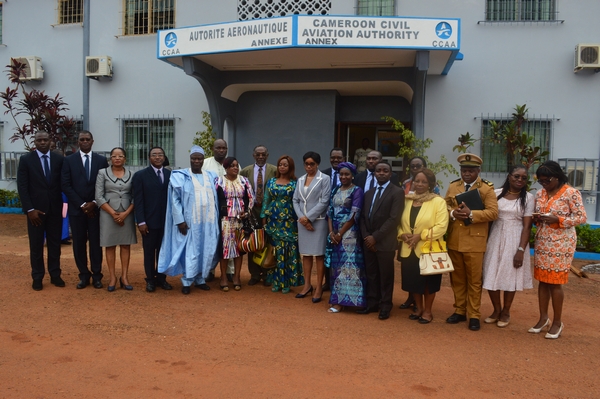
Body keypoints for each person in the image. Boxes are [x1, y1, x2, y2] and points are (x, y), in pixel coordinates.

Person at [529, 161, 586, 339]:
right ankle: (543, 318)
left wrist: (558, 219)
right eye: (541, 181)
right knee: (543, 281)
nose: (544, 184)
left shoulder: (571, 193)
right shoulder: (540, 194)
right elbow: (539, 215)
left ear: (557, 176)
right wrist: (537, 218)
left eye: (547, 180)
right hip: (543, 241)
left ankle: (557, 322)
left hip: (562, 243)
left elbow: (581, 217)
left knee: (555, 281)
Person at [444, 153, 498, 331]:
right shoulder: (453, 186)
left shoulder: (487, 189)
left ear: (478, 170)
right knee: (457, 278)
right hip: (455, 239)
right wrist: (453, 213)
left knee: (474, 280)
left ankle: (474, 314)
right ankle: (459, 310)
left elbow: (493, 213)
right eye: (463, 170)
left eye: (470, 170)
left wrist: (471, 214)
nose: (466, 173)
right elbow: (444, 206)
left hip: (475, 241)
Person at [157, 146, 220, 295]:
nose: (196, 161)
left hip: (209, 222)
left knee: (206, 249)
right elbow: (175, 200)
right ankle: (187, 280)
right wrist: (180, 221)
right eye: (194, 158)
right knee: (191, 251)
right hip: (191, 222)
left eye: (199, 158)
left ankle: (200, 279)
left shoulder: (211, 176)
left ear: (203, 160)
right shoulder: (180, 176)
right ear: (190, 159)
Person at [482, 165, 534, 328]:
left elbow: (527, 227)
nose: (520, 180)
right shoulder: (496, 194)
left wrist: (521, 250)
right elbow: (489, 219)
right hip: (496, 236)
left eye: (524, 178)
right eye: (516, 176)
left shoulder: (529, 198)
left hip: (515, 238)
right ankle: (496, 310)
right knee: (491, 272)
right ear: (509, 176)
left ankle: (506, 311)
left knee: (510, 275)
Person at [397, 168, 448, 324]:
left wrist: (421, 236)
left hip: (429, 248)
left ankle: (428, 311)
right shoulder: (407, 200)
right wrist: (401, 234)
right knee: (413, 281)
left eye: (424, 182)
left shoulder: (438, 201)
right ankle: (418, 308)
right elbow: (398, 221)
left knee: (428, 282)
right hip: (408, 247)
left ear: (430, 184)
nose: (419, 184)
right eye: (417, 181)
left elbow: (442, 226)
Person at [17, 131, 65, 291]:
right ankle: (37, 276)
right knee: (36, 245)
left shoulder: (59, 159)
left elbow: (62, 183)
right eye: (39, 140)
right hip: (35, 212)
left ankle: (55, 274)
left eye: (45, 139)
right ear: (35, 142)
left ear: (50, 141)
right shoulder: (26, 160)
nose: (43, 142)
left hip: (54, 210)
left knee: (54, 244)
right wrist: (29, 209)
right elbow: (22, 187)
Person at [61, 131, 108, 289]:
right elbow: (66, 185)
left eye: (88, 139)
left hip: (96, 210)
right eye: (82, 139)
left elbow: (105, 185)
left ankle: (97, 275)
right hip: (77, 210)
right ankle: (83, 275)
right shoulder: (69, 161)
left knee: (96, 244)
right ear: (78, 142)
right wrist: (82, 204)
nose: (85, 142)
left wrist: (94, 202)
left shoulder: (101, 161)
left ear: (92, 141)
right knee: (79, 244)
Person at [358, 162, 405, 320]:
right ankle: (372, 303)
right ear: (374, 173)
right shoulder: (369, 193)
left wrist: (375, 237)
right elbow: (363, 217)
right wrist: (367, 238)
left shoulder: (397, 192)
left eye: (385, 171)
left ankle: (385, 305)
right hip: (368, 242)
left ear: (390, 174)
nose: (381, 173)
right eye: (378, 171)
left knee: (385, 276)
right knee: (371, 274)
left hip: (384, 242)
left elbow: (394, 219)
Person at [324, 162, 366, 312]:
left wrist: (340, 233)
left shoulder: (357, 191)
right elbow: (329, 213)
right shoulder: (335, 189)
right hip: (335, 233)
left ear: (352, 175)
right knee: (337, 267)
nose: (344, 177)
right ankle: (338, 300)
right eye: (341, 174)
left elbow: (354, 215)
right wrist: (331, 233)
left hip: (349, 234)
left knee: (349, 267)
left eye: (347, 174)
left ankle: (353, 301)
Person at [132, 147, 174, 293]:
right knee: (149, 252)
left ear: (164, 157)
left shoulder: (171, 175)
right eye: (154, 155)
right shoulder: (140, 176)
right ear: (149, 158)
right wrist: (141, 221)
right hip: (148, 222)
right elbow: (138, 200)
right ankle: (150, 280)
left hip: (166, 222)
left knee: (163, 252)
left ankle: (162, 278)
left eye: (160, 155)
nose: (157, 157)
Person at [260, 155, 304, 294]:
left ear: (290, 167)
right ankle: (276, 281)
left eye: (285, 165)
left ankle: (287, 282)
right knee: (276, 252)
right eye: (280, 164)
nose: (282, 167)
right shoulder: (271, 181)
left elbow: (298, 202)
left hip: (289, 222)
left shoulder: (295, 183)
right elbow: (266, 200)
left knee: (289, 251)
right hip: (273, 221)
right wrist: (264, 218)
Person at [95, 147, 137, 292]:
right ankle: (112, 277)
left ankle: (124, 277)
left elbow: (135, 196)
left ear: (125, 158)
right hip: (108, 213)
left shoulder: (132, 174)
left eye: (120, 156)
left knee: (125, 245)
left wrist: (126, 213)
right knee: (110, 245)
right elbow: (98, 196)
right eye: (114, 156)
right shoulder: (102, 173)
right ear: (110, 159)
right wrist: (113, 213)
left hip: (127, 213)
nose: (117, 158)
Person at [293, 151, 331, 303]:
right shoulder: (301, 179)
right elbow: (295, 200)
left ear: (317, 164)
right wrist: (302, 218)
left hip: (319, 222)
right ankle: (307, 285)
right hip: (302, 222)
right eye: (306, 164)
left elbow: (324, 201)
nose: (309, 167)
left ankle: (319, 288)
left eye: (312, 164)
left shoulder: (324, 179)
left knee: (319, 255)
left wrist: (308, 218)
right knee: (306, 255)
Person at [215, 157, 255, 291]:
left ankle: (237, 277)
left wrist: (247, 212)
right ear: (226, 167)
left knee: (239, 249)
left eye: (237, 166)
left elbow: (251, 198)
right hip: (225, 220)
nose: (235, 168)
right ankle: (224, 277)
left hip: (241, 220)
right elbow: (214, 199)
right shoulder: (219, 181)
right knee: (225, 250)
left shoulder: (244, 180)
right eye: (232, 166)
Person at [239, 145, 277, 286]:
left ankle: (267, 273)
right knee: (253, 242)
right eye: (258, 154)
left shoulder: (275, 170)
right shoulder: (245, 171)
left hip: (268, 211)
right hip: (252, 211)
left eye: (263, 154)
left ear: (267, 155)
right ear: (253, 155)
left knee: (267, 241)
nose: (260, 157)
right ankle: (254, 274)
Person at [202, 138, 232, 282]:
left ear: (227, 149)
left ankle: (230, 271)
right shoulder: (205, 163)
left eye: (223, 148)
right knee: (211, 239)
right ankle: (209, 269)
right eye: (218, 148)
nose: (221, 150)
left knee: (229, 239)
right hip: (210, 208)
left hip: (230, 209)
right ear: (213, 149)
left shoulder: (232, 163)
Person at [321, 147, 345, 291]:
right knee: (326, 251)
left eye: (339, 158)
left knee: (341, 251)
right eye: (333, 157)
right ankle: (327, 282)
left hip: (344, 220)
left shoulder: (349, 175)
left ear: (343, 158)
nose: (336, 160)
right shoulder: (323, 174)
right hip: (324, 218)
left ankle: (339, 281)